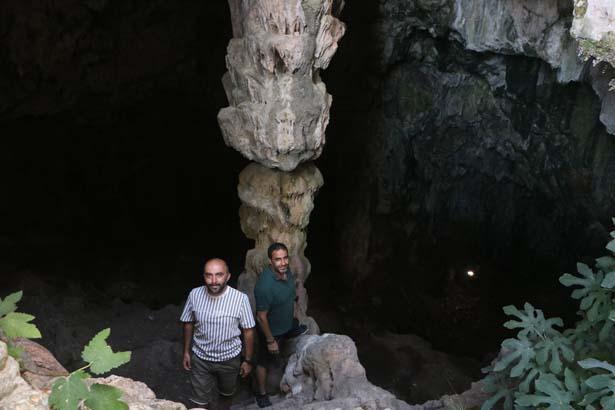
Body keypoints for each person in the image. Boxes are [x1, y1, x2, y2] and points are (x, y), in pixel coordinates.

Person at [180, 258, 256, 410]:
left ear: (228, 276)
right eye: (209, 275)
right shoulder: (195, 295)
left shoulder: (240, 299)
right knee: (199, 402)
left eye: (219, 275)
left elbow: (248, 331)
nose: (214, 281)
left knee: (226, 395)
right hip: (201, 358)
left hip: (230, 359)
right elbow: (188, 322)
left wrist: (248, 360)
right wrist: (186, 352)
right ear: (204, 276)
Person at [253, 243, 307, 408]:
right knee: (263, 362)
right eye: (278, 259)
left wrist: (295, 308)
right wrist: (270, 340)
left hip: (285, 322)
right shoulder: (264, 286)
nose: (283, 262)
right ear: (270, 261)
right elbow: (261, 317)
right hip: (271, 330)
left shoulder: (286, 271)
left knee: (294, 324)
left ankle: (291, 329)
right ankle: (261, 394)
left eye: (285, 258)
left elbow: (291, 292)